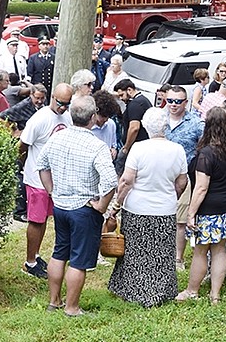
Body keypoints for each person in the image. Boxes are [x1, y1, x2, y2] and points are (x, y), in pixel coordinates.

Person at [36, 95, 117, 317]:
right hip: (84, 208)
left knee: (59, 252)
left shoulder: (57, 138)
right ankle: (72, 307)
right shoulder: (96, 145)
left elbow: (41, 165)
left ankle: (54, 301)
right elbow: (111, 180)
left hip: (60, 206)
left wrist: (52, 191)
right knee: (79, 260)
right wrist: (102, 206)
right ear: (92, 117)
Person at [107, 108, 188, 307]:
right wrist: (172, 196)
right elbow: (182, 182)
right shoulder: (178, 149)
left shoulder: (138, 148)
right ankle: (160, 291)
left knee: (135, 251)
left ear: (144, 125)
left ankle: (134, 290)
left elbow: (126, 181)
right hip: (165, 208)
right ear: (166, 126)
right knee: (161, 252)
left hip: (137, 207)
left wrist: (116, 205)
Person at [179, 107, 226, 304]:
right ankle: (215, 294)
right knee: (220, 249)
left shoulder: (206, 153)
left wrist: (191, 213)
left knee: (200, 250)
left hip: (210, 208)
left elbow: (201, 188)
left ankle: (192, 290)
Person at [18, 84, 74, 279]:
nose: (63, 108)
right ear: (52, 98)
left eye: (67, 104)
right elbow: (23, 145)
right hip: (36, 179)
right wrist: (25, 166)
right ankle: (29, 262)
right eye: (60, 103)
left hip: (55, 179)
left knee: (44, 220)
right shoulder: (39, 119)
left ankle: (36, 254)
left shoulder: (66, 117)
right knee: (36, 219)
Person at [163, 86, 204, 270]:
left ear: (185, 102)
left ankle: (178, 258)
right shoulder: (158, 119)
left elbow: (204, 148)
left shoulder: (195, 123)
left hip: (184, 176)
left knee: (180, 219)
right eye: (170, 100)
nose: (173, 105)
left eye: (178, 101)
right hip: (159, 175)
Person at [114, 79, 152, 162]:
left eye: (122, 95)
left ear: (129, 90)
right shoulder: (144, 100)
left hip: (137, 148)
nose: (121, 98)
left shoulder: (135, 104)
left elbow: (134, 128)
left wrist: (126, 148)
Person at [89, 90, 121, 157]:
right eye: (103, 116)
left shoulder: (111, 124)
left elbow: (113, 144)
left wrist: (113, 150)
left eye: (108, 117)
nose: (106, 120)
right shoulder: (88, 127)